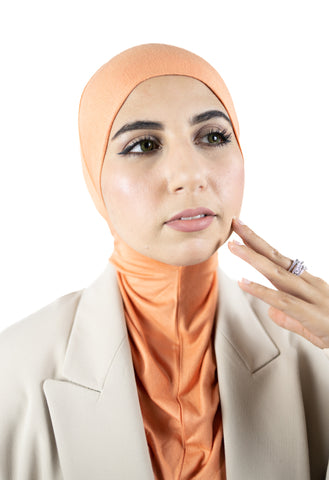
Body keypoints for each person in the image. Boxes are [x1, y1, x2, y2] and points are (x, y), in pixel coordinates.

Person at [0, 43, 329, 480]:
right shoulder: (13, 371)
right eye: (143, 145)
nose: (190, 174)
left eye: (213, 136)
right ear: (94, 177)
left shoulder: (313, 352)